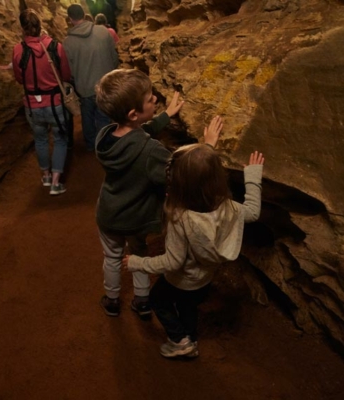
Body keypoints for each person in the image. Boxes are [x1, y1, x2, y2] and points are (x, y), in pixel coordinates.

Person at [94, 68, 221, 320]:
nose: (155, 100)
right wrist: (207, 147)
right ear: (133, 113)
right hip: (136, 219)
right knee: (138, 256)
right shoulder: (151, 152)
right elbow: (182, 173)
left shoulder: (105, 137)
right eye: (151, 99)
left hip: (108, 214)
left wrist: (164, 116)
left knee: (112, 257)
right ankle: (142, 301)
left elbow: (138, 134)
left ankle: (112, 300)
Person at [122, 145, 264, 358]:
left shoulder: (181, 218)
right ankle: (192, 339)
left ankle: (179, 341)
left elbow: (172, 262)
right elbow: (252, 212)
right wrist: (252, 175)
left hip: (179, 280)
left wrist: (138, 263)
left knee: (158, 301)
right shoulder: (228, 207)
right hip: (204, 280)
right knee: (188, 308)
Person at [12, 9, 72, 195]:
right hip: (55, 102)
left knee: (40, 139)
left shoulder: (18, 50)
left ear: (23, 28)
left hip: (32, 104)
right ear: (40, 26)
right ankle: (55, 182)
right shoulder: (56, 47)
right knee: (60, 139)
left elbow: (19, 78)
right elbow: (66, 74)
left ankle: (45, 176)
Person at [63, 3, 118, 151]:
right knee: (103, 116)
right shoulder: (103, 32)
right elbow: (114, 58)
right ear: (83, 14)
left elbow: (69, 70)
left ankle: (91, 144)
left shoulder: (68, 42)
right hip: (105, 84)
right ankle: (104, 145)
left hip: (84, 86)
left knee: (87, 116)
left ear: (70, 19)